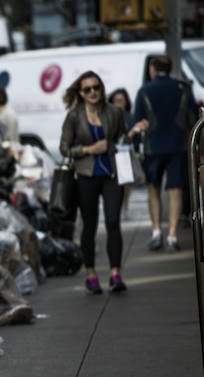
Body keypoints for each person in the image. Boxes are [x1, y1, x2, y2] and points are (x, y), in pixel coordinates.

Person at [60, 70, 127, 295]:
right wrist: (88, 149)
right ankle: (91, 274)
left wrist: (134, 132)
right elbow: (64, 148)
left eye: (96, 87)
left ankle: (115, 273)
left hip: (111, 175)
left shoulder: (114, 112)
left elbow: (121, 139)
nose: (93, 92)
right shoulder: (74, 116)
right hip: (85, 176)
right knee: (89, 226)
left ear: (101, 89)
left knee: (113, 222)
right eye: (87, 89)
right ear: (80, 92)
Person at [129, 55, 199, 253]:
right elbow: (193, 118)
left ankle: (156, 232)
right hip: (178, 146)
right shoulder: (183, 88)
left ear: (152, 68)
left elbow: (137, 121)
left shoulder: (144, 90)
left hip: (153, 146)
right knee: (175, 190)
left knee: (153, 189)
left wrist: (135, 148)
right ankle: (173, 235)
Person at [108, 88, 135, 217]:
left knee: (125, 184)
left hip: (124, 153)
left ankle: (125, 207)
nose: (118, 104)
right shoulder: (108, 117)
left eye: (121, 101)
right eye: (116, 101)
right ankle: (116, 208)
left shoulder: (129, 117)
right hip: (111, 153)